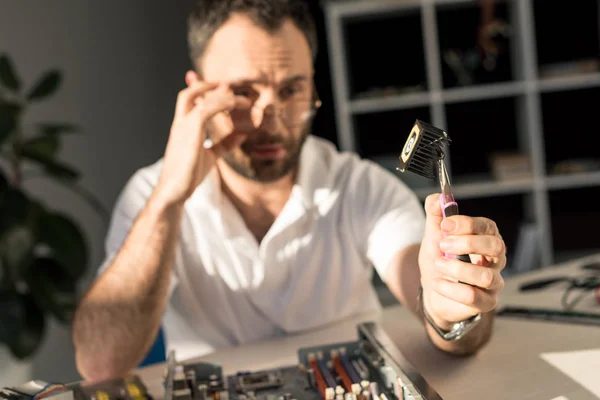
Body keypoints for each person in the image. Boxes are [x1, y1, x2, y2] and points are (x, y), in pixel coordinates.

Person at [72, 0, 507, 383]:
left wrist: (453, 308)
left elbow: (425, 286)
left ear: (312, 84)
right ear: (196, 93)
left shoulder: (359, 188)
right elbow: (101, 364)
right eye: (243, 92)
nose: (271, 120)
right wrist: (170, 197)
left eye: (291, 89)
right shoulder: (152, 194)